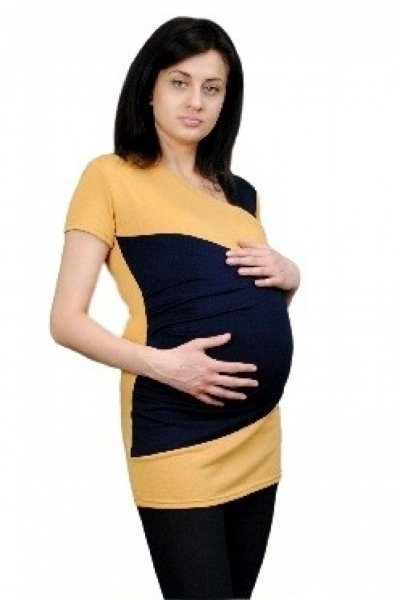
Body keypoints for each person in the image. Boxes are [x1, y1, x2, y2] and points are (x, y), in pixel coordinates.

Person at [50, 15, 300, 600]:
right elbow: (65, 320)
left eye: (212, 88)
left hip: (259, 435)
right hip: (176, 430)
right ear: (149, 88)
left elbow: (249, 297)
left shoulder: (241, 194)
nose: (196, 101)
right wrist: (167, 366)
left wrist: (292, 277)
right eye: (180, 83)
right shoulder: (110, 177)